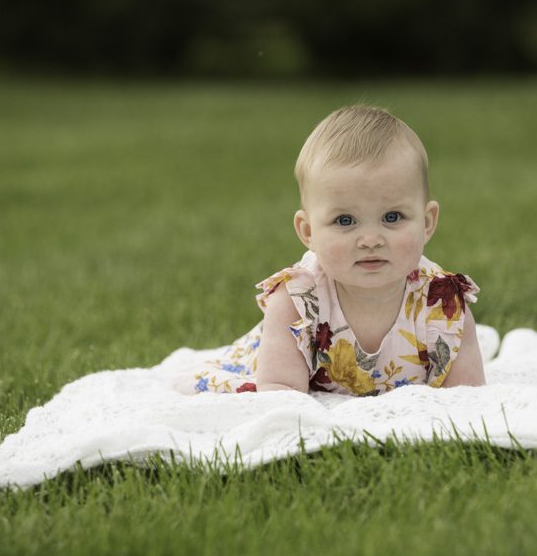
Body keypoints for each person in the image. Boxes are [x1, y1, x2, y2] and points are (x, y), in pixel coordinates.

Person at [172, 105, 485, 396]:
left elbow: (468, 399)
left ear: (427, 222)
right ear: (308, 232)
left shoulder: (443, 305)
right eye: (345, 220)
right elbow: (280, 394)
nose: (370, 239)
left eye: (392, 217)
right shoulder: (298, 301)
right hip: (269, 366)